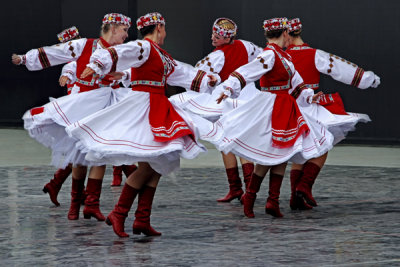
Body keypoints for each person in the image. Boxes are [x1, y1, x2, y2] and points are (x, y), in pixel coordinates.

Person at [66, 12, 220, 236]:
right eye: (164, 29)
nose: (165, 33)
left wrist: (207, 79)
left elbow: (181, 72)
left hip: (158, 107)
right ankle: (119, 213)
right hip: (144, 108)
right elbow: (121, 51)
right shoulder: (144, 47)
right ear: (158, 28)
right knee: (149, 164)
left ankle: (142, 219)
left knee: (161, 160)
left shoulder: (161, 55)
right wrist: (99, 63)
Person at [12, 13, 132, 220]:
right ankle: (76, 205)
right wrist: (26, 59)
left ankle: (90, 204)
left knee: (99, 153)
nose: (126, 35)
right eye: (124, 30)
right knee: (80, 156)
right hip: (85, 104)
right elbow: (57, 53)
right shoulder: (85, 45)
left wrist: (125, 75)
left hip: (107, 107)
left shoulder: (121, 52)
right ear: (113, 28)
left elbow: (134, 69)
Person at [214, 17, 334, 218]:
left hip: (286, 106)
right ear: (285, 34)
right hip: (272, 106)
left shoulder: (285, 57)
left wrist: (310, 96)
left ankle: (272, 200)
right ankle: (252, 197)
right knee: (272, 153)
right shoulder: (269, 55)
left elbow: (297, 85)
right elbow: (247, 72)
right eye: (289, 34)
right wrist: (229, 87)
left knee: (283, 153)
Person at [285, 18, 380, 209]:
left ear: (286, 34)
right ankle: (304, 186)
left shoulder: (278, 56)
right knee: (323, 143)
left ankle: (296, 197)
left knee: (300, 152)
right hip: (310, 107)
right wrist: (367, 79)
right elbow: (340, 68)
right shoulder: (314, 55)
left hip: (287, 107)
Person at [169, 18, 264, 202]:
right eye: (213, 33)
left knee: (226, 141)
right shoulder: (246, 46)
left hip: (228, 102)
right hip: (248, 99)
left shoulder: (217, 56)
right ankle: (245, 190)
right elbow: (261, 58)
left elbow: (197, 73)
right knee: (236, 142)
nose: (213, 37)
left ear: (227, 38)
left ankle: (240, 188)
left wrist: (211, 81)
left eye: (218, 35)